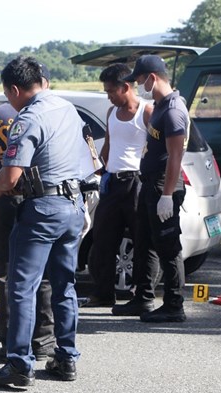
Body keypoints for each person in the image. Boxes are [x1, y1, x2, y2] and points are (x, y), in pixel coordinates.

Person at [0, 56, 88, 387]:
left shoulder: (27, 119)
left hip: (43, 208)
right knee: (64, 284)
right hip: (74, 206)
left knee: (21, 287)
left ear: (14, 89)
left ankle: (18, 365)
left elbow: (12, 176)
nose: (8, 102)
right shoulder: (67, 108)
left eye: (7, 95)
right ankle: (67, 358)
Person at [0, 62, 55, 363]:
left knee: (5, 271)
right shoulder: (51, 112)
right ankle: (43, 341)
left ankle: (9, 341)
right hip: (40, 199)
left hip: (5, 199)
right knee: (40, 270)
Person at [111, 55, 189, 323]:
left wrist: (167, 195)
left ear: (152, 78)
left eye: (141, 79)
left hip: (162, 186)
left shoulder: (174, 110)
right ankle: (143, 298)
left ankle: (174, 305)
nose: (139, 84)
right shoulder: (159, 106)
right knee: (145, 242)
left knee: (168, 246)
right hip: (150, 183)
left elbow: (175, 157)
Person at [85, 63, 153, 307]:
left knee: (141, 240)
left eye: (111, 91)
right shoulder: (111, 113)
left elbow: (157, 147)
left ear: (126, 87)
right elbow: (109, 144)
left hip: (135, 182)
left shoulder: (147, 111)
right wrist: (101, 167)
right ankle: (103, 292)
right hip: (112, 182)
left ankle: (139, 293)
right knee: (103, 239)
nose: (109, 96)